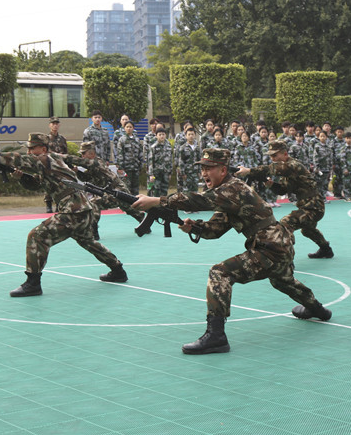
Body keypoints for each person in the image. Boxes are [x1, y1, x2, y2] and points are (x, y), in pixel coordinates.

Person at [132, 148, 332, 355]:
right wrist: (193, 227)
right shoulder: (227, 195)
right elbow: (215, 230)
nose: (204, 173)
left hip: (270, 248)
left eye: (209, 168)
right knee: (282, 280)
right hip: (278, 245)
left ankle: (216, 336)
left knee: (220, 273)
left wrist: (157, 201)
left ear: (223, 169)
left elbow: (198, 200)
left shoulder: (233, 189)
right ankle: (318, 310)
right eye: (203, 169)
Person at [0, 133, 128, 296]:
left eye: (33, 148)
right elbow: (35, 185)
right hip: (82, 209)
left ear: (43, 149)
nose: (30, 151)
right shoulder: (48, 163)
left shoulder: (47, 159)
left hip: (73, 210)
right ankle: (118, 270)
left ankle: (32, 283)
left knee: (37, 236)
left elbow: (19, 159)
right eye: (29, 148)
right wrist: (20, 178)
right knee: (88, 242)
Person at [237, 140, 334, 259]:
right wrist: (270, 184)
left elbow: (271, 169)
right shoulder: (286, 170)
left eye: (275, 155)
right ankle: (326, 249)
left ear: (285, 154)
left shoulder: (293, 165)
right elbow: (282, 190)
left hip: (314, 207)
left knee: (285, 224)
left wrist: (249, 171)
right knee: (307, 230)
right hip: (307, 206)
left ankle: (285, 256)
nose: (272, 158)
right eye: (271, 156)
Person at [64, 140, 145, 240]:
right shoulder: (92, 166)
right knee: (129, 208)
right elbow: (87, 179)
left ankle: (93, 232)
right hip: (111, 192)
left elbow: (80, 162)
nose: (82, 156)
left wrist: (62, 157)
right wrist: (76, 172)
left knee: (94, 203)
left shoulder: (96, 162)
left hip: (117, 191)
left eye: (83, 154)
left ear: (91, 154)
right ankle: (144, 222)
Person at [45, 117, 68, 212]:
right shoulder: (46, 139)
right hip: (49, 166)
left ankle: (59, 204)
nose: (55, 125)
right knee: (48, 185)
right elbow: (44, 152)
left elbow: (66, 153)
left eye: (56, 123)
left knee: (60, 185)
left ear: (59, 125)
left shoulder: (62, 139)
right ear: (49, 125)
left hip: (60, 166)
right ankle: (48, 205)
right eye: (53, 123)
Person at [115, 120, 143, 195]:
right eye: (127, 127)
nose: (129, 128)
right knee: (126, 187)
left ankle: (136, 204)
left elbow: (140, 153)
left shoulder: (137, 139)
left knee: (136, 188)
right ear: (124, 128)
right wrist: (120, 167)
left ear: (133, 128)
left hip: (135, 167)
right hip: (126, 168)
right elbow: (119, 153)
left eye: (130, 127)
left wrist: (141, 165)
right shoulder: (122, 140)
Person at [146, 126, 173, 197]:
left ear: (165, 135)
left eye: (163, 134)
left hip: (165, 172)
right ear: (156, 135)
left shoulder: (168, 146)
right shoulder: (153, 147)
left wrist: (170, 172)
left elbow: (170, 159)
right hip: (156, 173)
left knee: (164, 191)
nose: (162, 136)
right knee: (155, 191)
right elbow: (150, 162)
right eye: (160, 134)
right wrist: (151, 174)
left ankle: (163, 206)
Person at [335, 132, 351, 202]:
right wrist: (345, 169)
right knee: (346, 183)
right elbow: (342, 160)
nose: (349, 140)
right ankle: (347, 196)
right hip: (347, 169)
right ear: (345, 139)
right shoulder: (343, 148)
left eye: (350, 138)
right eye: (347, 138)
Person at [176, 127, 202, 193]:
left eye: (192, 134)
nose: (191, 136)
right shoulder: (183, 148)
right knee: (186, 192)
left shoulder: (197, 147)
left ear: (195, 136)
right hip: (187, 173)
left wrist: (199, 171)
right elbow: (181, 161)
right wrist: (183, 173)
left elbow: (199, 160)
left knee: (195, 191)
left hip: (195, 173)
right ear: (186, 136)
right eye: (189, 134)